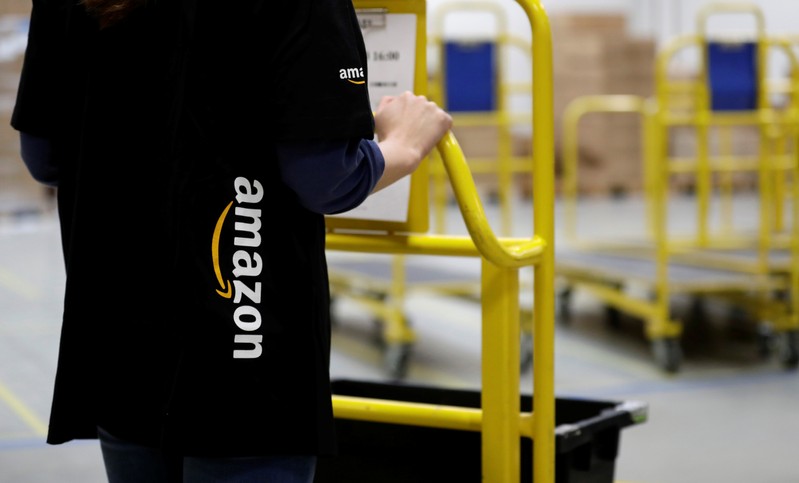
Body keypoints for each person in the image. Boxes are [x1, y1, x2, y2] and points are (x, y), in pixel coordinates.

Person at [11, 0, 452, 482]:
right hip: (243, 346)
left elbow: (45, 157)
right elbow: (326, 177)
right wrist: (403, 146)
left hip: (120, 335)